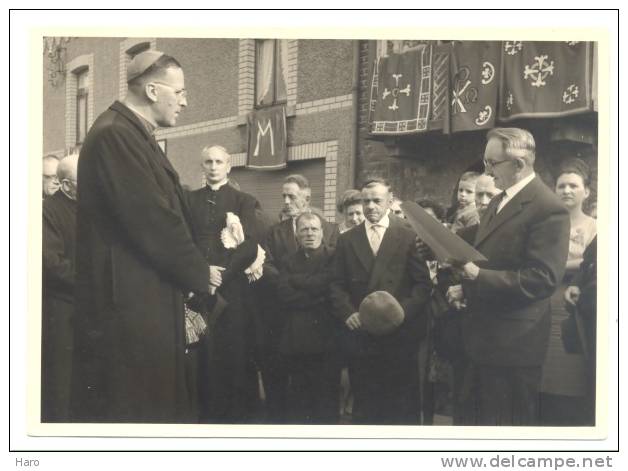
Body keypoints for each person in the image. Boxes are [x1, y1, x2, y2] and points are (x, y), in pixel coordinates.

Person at [71, 51, 217, 423]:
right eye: (180, 91)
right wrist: (200, 275)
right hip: (131, 307)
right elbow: (154, 221)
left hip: (141, 300)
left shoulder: (128, 132)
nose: (185, 101)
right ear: (153, 90)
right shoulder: (116, 135)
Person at [449, 128, 570, 425]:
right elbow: (488, 242)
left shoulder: (548, 208)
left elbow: (541, 279)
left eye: (492, 164)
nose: (486, 172)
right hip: (483, 341)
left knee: (507, 432)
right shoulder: (498, 200)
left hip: (513, 347)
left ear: (519, 164)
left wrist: (478, 277)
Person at [330, 178, 432, 424]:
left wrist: (400, 313)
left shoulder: (408, 235)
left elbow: (423, 284)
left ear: (390, 199)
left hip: (399, 336)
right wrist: (348, 313)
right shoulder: (347, 239)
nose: (371, 206)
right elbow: (335, 284)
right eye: (366, 201)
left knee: (401, 406)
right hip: (362, 336)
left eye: (377, 200)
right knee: (367, 405)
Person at [186, 145, 262, 423]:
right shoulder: (190, 200)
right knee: (201, 355)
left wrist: (223, 275)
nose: (213, 166)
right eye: (208, 162)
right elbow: (185, 241)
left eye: (219, 162)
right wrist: (202, 272)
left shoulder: (244, 200)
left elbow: (250, 246)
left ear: (229, 166)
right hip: (197, 288)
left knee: (232, 355)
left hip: (232, 293)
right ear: (202, 166)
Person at [259, 174, 338, 423]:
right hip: (288, 320)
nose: (286, 201)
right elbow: (271, 268)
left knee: (323, 389)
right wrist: (291, 285)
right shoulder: (275, 232)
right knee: (296, 388)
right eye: (283, 196)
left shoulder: (331, 229)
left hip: (323, 324)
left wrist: (296, 282)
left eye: (291, 196)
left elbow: (332, 275)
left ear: (307, 197)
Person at [539, 159, 597, 425]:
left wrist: (557, 266)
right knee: (545, 371)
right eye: (561, 186)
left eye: (574, 185)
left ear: (587, 191)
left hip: (574, 302)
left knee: (572, 371)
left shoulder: (594, 228)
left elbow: (593, 263)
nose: (566, 191)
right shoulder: (547, 225)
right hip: (545, 300)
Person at [276, 211, 341, 423]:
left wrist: (298, 282)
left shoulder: (334, 256)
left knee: (326, 400)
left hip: (327, 340)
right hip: (297, 340)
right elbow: (284, 294)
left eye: (314, 229)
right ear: (296, 234)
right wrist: (315, 291)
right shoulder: (287, 261)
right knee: (299, 400)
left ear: (322, 232)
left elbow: (330, 288)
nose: (309, 233)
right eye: (304, 229)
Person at [41, 154, 79, 422]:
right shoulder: (47, 211)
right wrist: (93, 282)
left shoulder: (92, 208)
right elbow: (53, 264)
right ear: (66, 185)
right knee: (61, 382)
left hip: (89, 306)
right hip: (61, 307)